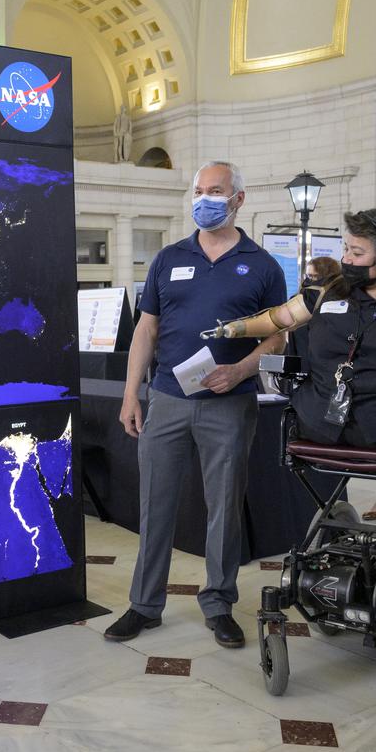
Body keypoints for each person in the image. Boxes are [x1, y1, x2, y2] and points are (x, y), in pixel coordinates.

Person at [105, 161, 287, 648]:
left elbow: (277, 336)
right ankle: (144, 605)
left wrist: (240, 371)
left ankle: (219, 603)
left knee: (223, 506)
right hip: (166, 398)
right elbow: (147, 328)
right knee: (156, 503)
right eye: (200, 191)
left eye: (216, 191)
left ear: (238, 199)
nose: (205, 199)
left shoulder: (263, 265)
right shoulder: (169, 257)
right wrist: (131, 393)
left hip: (230, 403)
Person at [201, 206, 376, 509]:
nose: (346, 259)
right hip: (320, 422)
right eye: (345, 249)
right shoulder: (330, 290)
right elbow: (279, 318)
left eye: (357, 252)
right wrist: (233, 329)